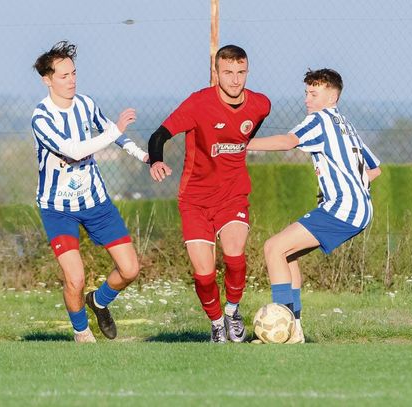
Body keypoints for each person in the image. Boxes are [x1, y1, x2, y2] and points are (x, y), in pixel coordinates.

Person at [247, 68, 381, 343]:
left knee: (273, 248)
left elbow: (287, 142)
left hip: (343, 208)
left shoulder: (319, 120)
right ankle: (294, 329)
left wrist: (241, 143)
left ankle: (284, 328)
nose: (307, 99)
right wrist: (353, 187)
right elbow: (375, 169)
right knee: (287, 254)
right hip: (357, 207)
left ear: (331, 96)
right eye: (306, 92)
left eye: (313, 93)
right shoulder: (345, 124)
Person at [148, 45, 271, 343]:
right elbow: (159, 134)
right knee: (204, 275)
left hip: (233, 195)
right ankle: (216, 323)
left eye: (241, 72)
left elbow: (248, 131)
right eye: (228, 73)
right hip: (195, 200)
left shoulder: (260, 105)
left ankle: (231, 312)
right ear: (215, 73)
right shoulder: (198, 103)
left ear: (247, 71)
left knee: (235, 255)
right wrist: (156, 159)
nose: (235, 80)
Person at [31, 41, 149, 343]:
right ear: (47, 79)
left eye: (73, 73)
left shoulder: (85, 104)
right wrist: (114, 131)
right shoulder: (41, 118)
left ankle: (99, 301)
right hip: (57, 208)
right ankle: (82, 334)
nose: (71, 80)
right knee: (75, 278)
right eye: (63, 76)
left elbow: (112, 130)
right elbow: (73, 150)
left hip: (96, 201)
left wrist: (143, 156)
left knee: (130, 269)